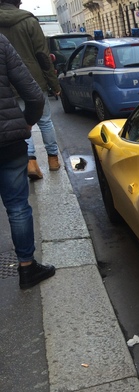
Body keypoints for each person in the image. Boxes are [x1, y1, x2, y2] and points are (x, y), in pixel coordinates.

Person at [0, 33, 56, 289]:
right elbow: (34, 95)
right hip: (7, 141)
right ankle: (27, 268)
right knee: (17, 206)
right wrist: (25, 124)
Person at [0, 0, 62, 181]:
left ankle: (31, 162)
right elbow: (43, 55)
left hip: (6, 81)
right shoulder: (29, 21)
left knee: (20, 123)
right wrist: (54, 84)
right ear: (17, 2)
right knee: (45, 120)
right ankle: (52, 159)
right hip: (33, 79)